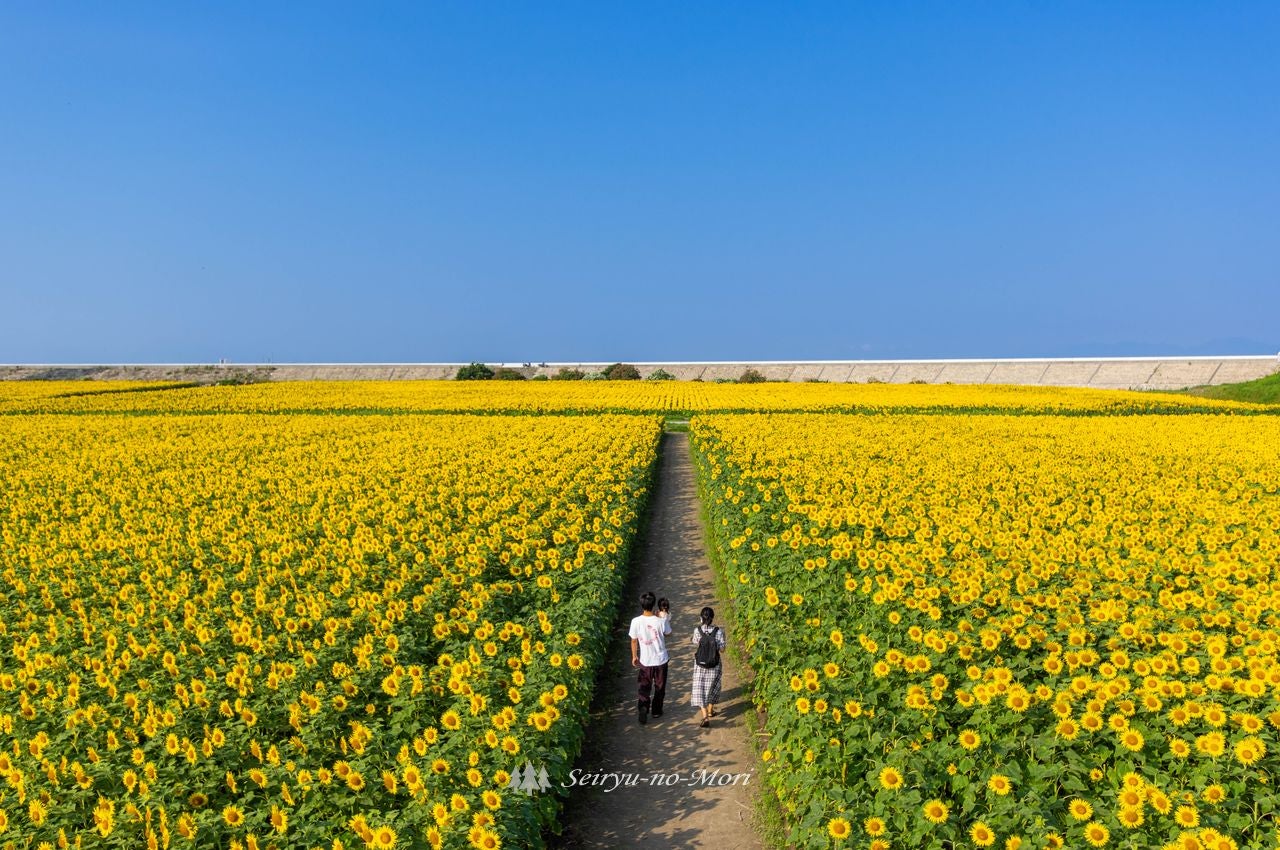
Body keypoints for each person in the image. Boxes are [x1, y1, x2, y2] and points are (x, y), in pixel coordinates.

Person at [629, 591, 671, 725]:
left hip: (645, 661)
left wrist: (635, 656)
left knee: (644, 686)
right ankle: (656, 711)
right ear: (653, 605)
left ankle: (643, 707)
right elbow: (668, 633)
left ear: (641, 605)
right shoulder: (659, 621)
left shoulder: (635, 621)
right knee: (660, 687)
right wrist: (664, 618)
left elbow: (634, 640)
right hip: (660, 660)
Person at [690, 606, 726, 728]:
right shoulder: (719, 631)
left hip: (700, 665)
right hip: (714, 664)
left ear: (701, 618)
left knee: (700, 689)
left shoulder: (697, 630)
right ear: (712, 618)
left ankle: (705, 716)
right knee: (713, 687)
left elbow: (695, 642)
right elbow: (722, 650)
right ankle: (711, 710)